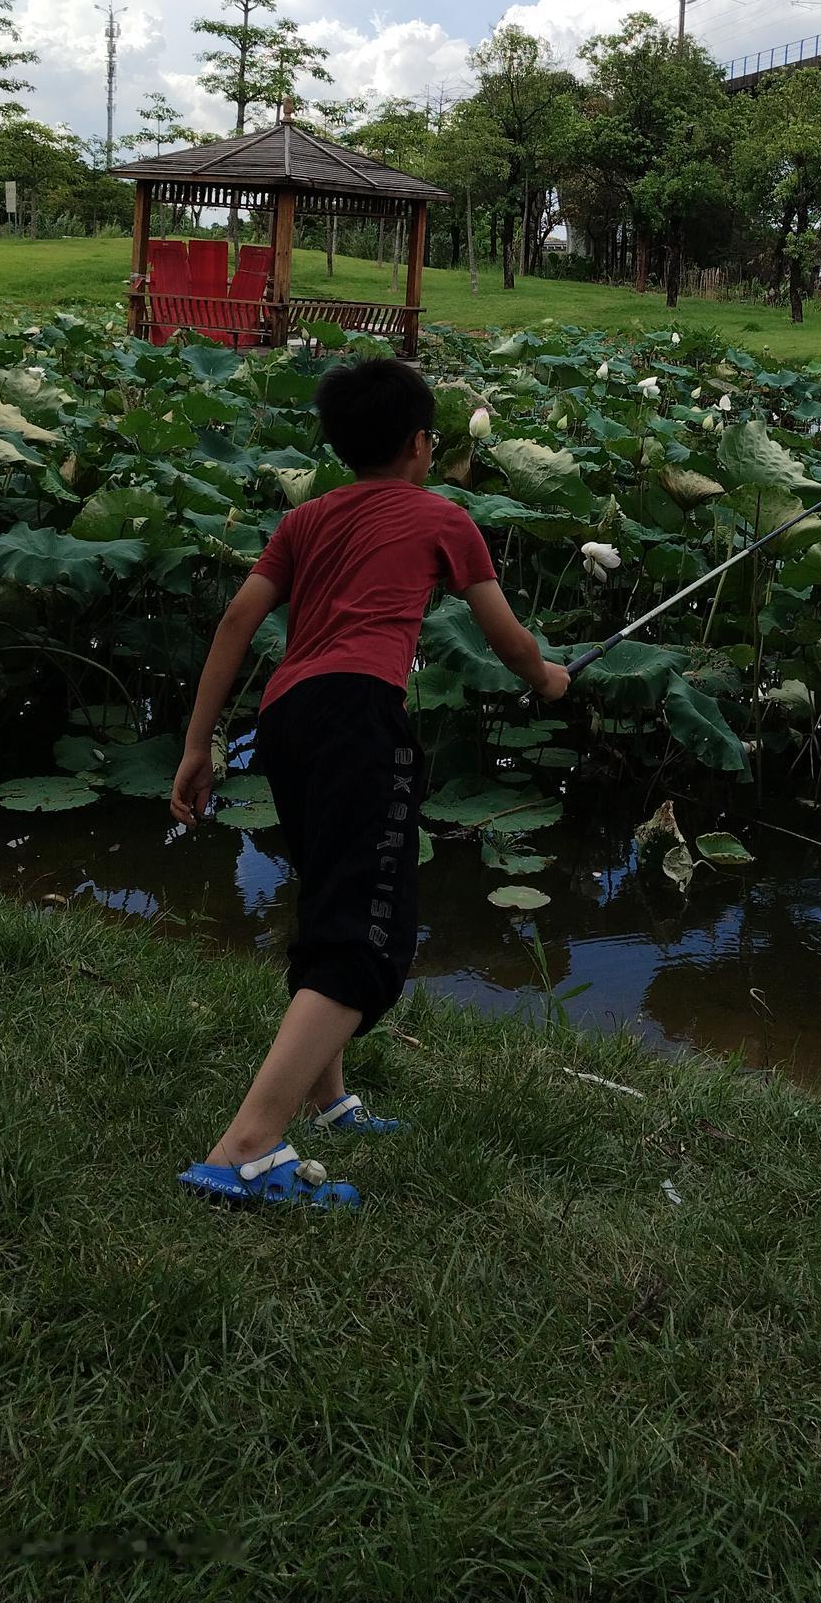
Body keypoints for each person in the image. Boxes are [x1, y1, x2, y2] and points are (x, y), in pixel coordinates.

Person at [170, 357, 570, 1211]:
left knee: (330, 898)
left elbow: (240, 618)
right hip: (359, 718)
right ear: (422, 445)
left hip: (286, 719)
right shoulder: (442, 517)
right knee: (367, 939)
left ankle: (328, 1100)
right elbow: (504, 636)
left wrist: (198, 745)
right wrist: (548, 681)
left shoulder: (305, 517)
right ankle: (245, 1149)